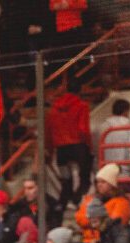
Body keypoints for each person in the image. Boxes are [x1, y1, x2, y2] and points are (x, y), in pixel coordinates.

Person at [47, 78, 91, 212]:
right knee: (85, 178)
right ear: (81, 89)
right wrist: (89, 146)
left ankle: (62, 204)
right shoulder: (82, 106)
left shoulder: (54, 108)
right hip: (78, 147)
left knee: (66, 180)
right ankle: (77, 200)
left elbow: (49, 129)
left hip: (61, 149)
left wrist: (50, 149)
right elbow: (83, 129)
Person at [98, 99, 130, 176]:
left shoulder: (102, 127)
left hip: (105, 171)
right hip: (123, 171)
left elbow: (97, 151)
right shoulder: (128, 127)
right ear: (126, 111)